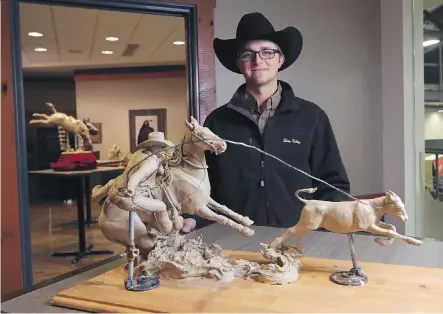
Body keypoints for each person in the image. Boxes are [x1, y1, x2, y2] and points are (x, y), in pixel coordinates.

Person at [183, 12, 350, 230]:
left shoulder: (312, 117)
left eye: (267, 52)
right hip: (232, 241)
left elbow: (334, 184)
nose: (257, 60)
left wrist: (323, 233)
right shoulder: (217, 122)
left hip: (299, 241)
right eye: (247, 54)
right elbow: (202, 187)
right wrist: (195, 218)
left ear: (280, 60)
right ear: (239, 63)